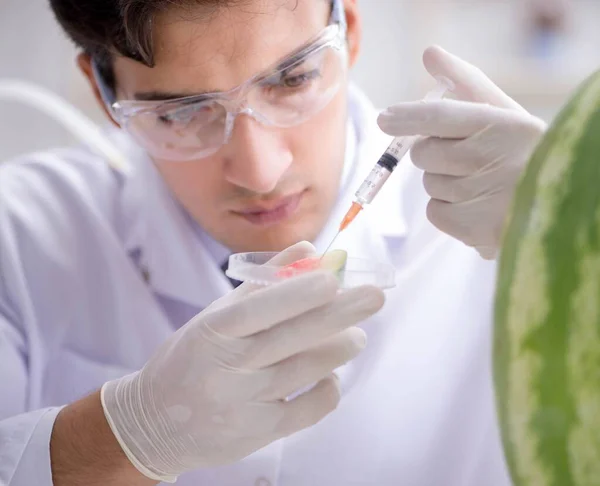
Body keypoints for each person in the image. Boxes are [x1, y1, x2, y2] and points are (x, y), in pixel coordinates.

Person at [0, 0, 547, 485]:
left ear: (349, 30)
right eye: (182, 111)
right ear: (102, 91)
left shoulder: (508, 206)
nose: (261, 172)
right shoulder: (21, 237)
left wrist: (576, 229)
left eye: (292, 79)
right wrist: (128, 435)